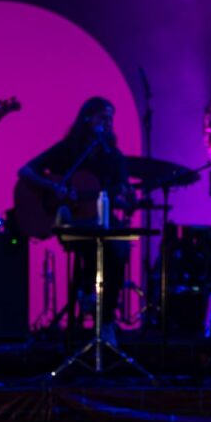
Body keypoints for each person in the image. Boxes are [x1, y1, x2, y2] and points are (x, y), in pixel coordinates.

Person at [18, 97, 133, 346]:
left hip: (101, 219)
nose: (108, 123)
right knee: (93, 242)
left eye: (111, 118)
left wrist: (125, 198)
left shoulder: (114, 157)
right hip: (72, 221)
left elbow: (120, 192)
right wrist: (53, 187)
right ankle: (88, 291)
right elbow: (25, 171)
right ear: (87, 118)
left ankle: (104, 318)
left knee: (119, 249)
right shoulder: (69, 150)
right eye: (103, 117)